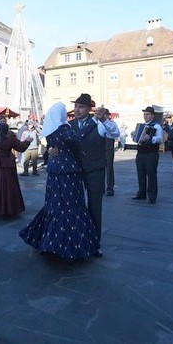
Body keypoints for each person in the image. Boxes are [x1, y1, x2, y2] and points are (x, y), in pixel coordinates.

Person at [19, 102, 99, 259]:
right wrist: (92, 123)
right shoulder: (64, 128)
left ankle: (51, 240)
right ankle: (66, 245)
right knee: (71, 204)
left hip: (55, 169)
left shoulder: (50, 129)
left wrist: (51, 149)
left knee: (55, 204)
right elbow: (77, 138)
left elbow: (54, 146)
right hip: (68, 170)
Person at [53, 93, 118, 256]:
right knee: (75, 207)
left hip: (95, 170)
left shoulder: (99, 123)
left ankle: (95, 243)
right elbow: (60, 144)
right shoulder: (69, 125)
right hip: (74, 172)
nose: (77, 109)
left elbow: (115, 133)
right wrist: (52, 150)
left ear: (89, 109)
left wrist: (104, 119)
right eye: (75, 106)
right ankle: (77, 240)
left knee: (95, 206)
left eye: (81, 106)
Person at [131, 106, 163, 204]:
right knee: (141, 174)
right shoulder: (141, 126)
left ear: (152, 116)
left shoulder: (156, 126)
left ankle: (152, 196)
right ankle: (141, 193)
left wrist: (149, 138)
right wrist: (134, 135)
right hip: (140, 153)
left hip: (151, 153)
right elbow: (137, 139)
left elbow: (159, 138)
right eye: (144, 114)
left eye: (147, 114)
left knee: (151, 175)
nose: (145, 116)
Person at [103, 109, 118, 196]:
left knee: (109, 168)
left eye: (105, 114)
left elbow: (115, 133)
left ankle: (110, 188)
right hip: (99, 148)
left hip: (108, 148)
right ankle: (101, 187)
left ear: (108, 115)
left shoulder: (112, 124)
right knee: (100, 168)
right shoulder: (99, 124)